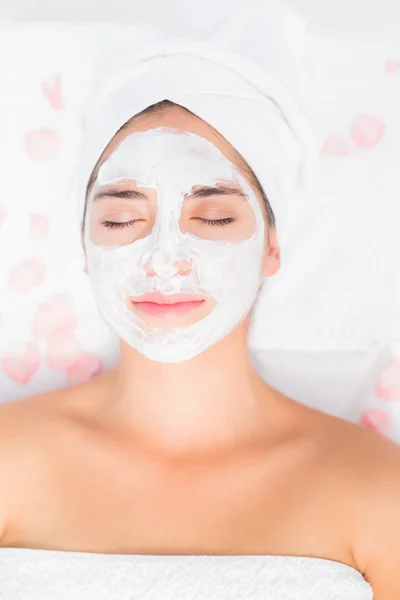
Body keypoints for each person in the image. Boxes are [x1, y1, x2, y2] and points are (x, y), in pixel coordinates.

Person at [0, 43, 399, 599]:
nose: (164, 260)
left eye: (212, 216)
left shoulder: (382, 489)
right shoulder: (6, 458)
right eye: (120, 219)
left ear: (271, 248)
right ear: (86, 250)